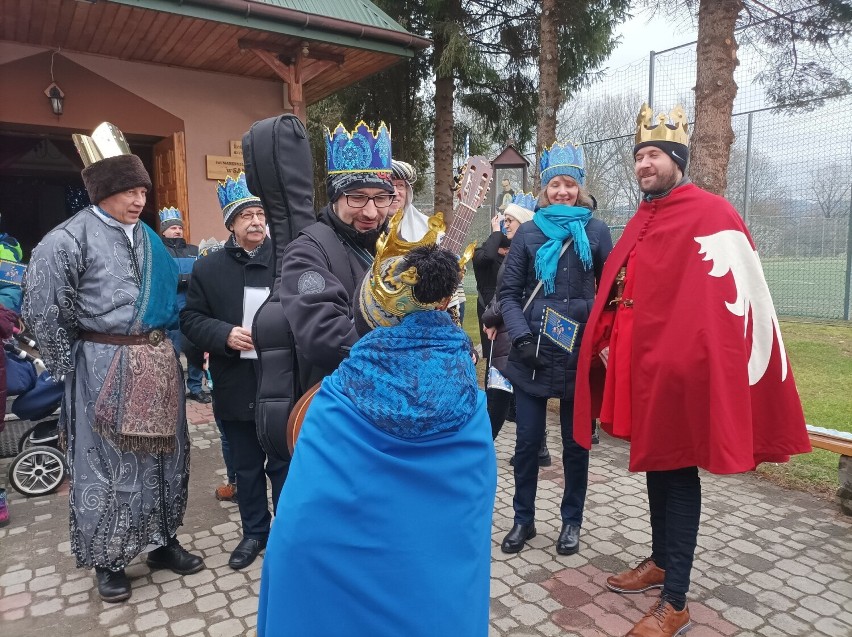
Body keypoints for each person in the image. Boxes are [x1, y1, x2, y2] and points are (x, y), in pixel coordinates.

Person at [573, 104, 811, 637]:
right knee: (657, 465)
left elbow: (731, 298)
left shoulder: (710, 213)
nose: (643, 164)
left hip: (684, 372)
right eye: (638, 156)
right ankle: (660, 561)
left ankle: (675, 600)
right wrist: (609, 335)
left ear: (677, 159)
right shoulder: (644, 215)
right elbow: (623, 286)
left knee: (676, 469)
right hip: (645, 368)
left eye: (654, 154)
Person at [258, 241, 496, 637]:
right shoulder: (474, 405)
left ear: (369, 317)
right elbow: (468, 522)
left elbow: (300, 526)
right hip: (437, 604)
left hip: (332, 599)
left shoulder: (332, 400)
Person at [22, 125, 203, 603]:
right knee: (108, 466)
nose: (138, 199)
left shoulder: (150, 238)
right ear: (101, 191)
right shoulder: (66, 240)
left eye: (143, 189)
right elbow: (42, 309)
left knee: (167, 458)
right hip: (102, 366)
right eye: (127, 190)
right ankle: (109, 558)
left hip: (159, 361)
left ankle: (163, 542)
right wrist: (71, 368)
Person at [498, 140, 613, 556]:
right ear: (544, 189)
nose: (562, 191)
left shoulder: (597, 232)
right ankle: (523, 519)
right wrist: (522, 337)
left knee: (575, 443)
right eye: (554, 185)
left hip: (578, 354)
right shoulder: (528, 232)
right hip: (532, 351)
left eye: (569, 184)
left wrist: (602, 340)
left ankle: (571, 521)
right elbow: (508, 294)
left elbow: (612, 292)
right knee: (527, 443)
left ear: (579, 187)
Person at [181, 173, 286, 570]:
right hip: (235, 380)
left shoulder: (287, 258)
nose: (256, 221)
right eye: (247, 216)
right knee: (246, 464)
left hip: (281, 379)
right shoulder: (208, 269)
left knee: (284, 461)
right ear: (231, 224)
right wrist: (224, 334)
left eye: (261, 214)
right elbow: (190, 319)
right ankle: (255, 533)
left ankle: (289, 531)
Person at [279, 121, 395, 392]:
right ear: (335, 197)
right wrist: (401, 354)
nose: (370, 212)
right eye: (356, 197)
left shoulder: (396, 246)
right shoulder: (307, 251)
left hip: (395, 396)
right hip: (339, 400)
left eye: (381, 198)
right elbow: (323, 335)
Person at [480, 194, 536, 442]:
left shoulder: (525, 251)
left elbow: (511, 295)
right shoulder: (517, 250)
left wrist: (490, 318)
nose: (506, 224)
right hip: (505, 331)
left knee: (498, 396)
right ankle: (538, 448)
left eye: (511, 220)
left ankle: (480, 449)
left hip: (512, 333)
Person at [158, 207, 209, 404]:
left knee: (195, 349)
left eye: (179, 227)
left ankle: (195, 388)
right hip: (169, 311)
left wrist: (184, 280)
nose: (177, 231)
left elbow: (203, 276)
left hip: (192, 309)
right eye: (173, 228)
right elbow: (163, 278)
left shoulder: (194, 250)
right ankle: (173, 390)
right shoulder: (159, 251)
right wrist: (188, 279)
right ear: (164, 231)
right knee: (171, 353)